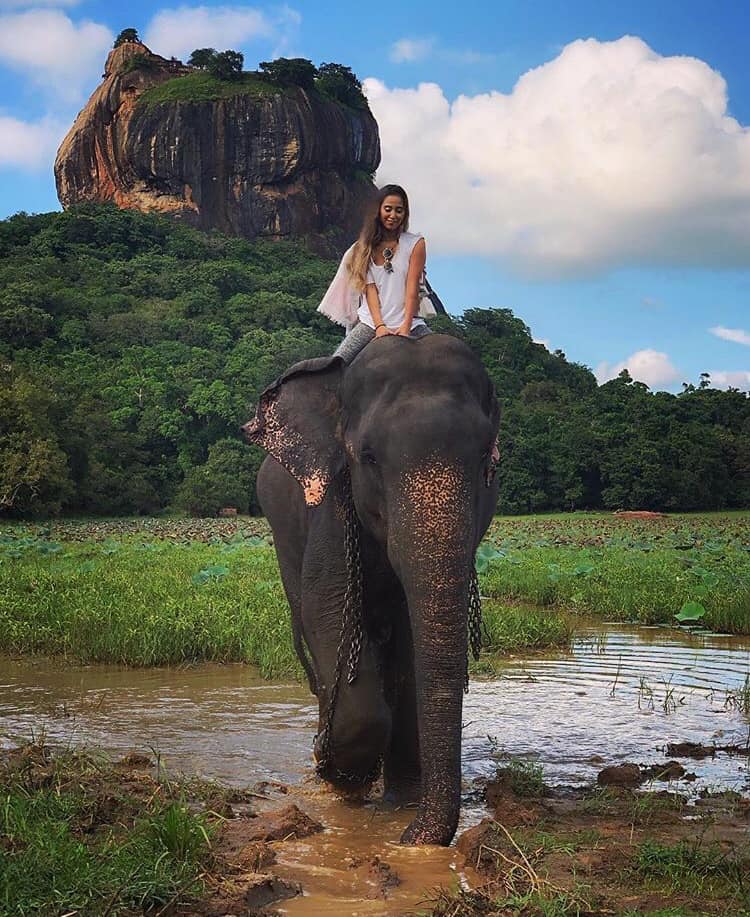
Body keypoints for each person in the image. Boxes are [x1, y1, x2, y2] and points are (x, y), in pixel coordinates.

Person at [318, 184, 432, 363]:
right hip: (370, 322)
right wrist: (379, 326)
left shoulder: (415, 243)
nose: (393, 215)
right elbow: (370, 291)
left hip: (410, 322)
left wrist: (406, 327)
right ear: (378, 211)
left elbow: (412, 290)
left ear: (405, 214)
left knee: (445, 360)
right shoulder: (364, 248)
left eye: (399, 210)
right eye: (388, 209)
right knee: (336, 365)